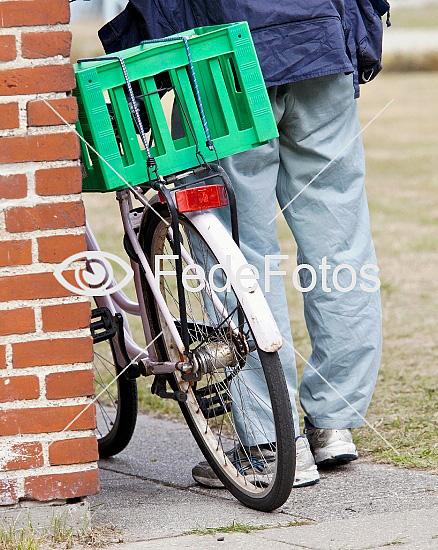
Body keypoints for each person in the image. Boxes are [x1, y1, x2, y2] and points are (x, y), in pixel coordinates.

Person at [99, 0, 389, 488]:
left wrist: (129, 74)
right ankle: (334, 423)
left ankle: (268, 440)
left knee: (237, 251)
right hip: (320, 50)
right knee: (340, 242)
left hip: (224, 62)